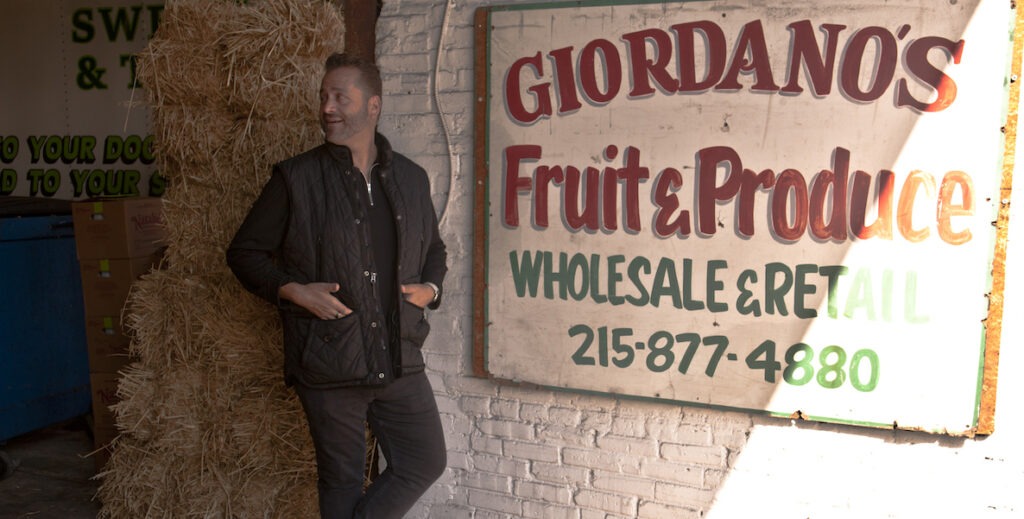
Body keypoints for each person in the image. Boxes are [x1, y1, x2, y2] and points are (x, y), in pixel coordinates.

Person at [226, 52, 448, 518]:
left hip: (399, 357)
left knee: (424, 460)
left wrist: (431, 289)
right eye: (324, 97)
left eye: (340, 97)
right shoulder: (296, 178)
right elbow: (244, 253)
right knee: (342, 482)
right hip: (329, 362)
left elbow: (434, 252)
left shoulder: (410, 178)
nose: (328, 107)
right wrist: (295, 291)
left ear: (373, 106)